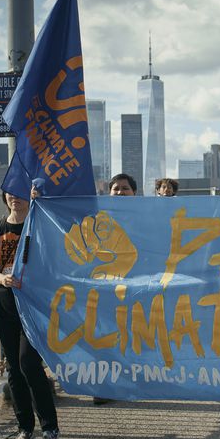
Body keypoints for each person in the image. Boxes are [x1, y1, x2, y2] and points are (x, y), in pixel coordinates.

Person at [0, 193, 60, 439]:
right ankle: (24, 429)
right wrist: (1, 278)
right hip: (4, 306)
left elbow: (53, 260)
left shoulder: (39, 227)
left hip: (33, 307)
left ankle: (50, 428)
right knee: (13, 368)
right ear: (4, 197)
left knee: (28, 363)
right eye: (10, 193)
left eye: (21, 193)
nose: (15, 198)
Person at [92, 173, 138, 406]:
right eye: (115, 189)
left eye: (125, 188)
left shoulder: (147, 218)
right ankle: (104, 385)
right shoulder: (99, 220)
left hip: (138, 287)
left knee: (133, 333)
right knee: (105, 333)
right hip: (107, 287)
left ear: (134, 193)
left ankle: (132, 378)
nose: (120, 192)